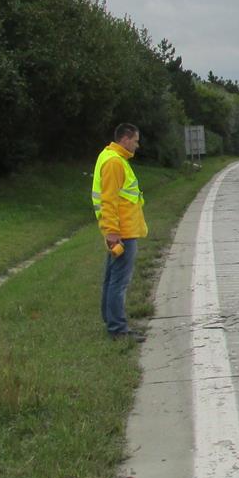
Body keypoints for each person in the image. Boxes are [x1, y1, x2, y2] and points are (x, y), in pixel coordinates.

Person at [92, 123, 148, 341]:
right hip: (122, 231)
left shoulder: (108, 156)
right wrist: (113, 232)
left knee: (111, 279)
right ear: (125, 139)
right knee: (119, 282)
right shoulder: (115, 162)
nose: (137, 144)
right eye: (135, 140)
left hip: (118, 229)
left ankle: (110, 320)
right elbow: (109, 200)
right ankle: (118, 329)